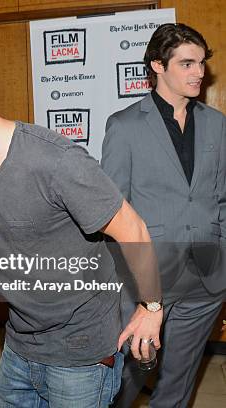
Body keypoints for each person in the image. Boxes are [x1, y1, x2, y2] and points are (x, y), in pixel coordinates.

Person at [0, 25, 164, 407]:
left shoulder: (56, 162)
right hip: (18, 348)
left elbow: (132, 228)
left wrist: (152, 308)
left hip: (81, 356)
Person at [101, 23, 226, 408]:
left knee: (178, 385)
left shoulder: (217, 124)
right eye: (187, 64)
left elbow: (220, 197)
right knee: (124, 380)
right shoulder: (124, 125)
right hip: (147, 278)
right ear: (157, 65)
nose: (198, 73)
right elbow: (114, 209)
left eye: (201, 64)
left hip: (205, 279)